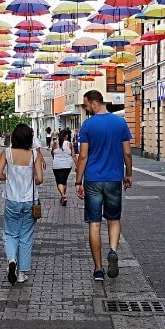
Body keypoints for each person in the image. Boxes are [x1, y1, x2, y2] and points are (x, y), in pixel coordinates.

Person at [75, 91, 132, 281]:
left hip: (93, 180)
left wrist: (78, 181)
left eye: (85, 105)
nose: (86, 109)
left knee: (94, 223)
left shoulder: (88, 125)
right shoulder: (120, 123)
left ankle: (98, 269)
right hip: (114, 178)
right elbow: (127, 153)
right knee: (113, 219)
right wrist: (128, 174)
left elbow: (83, 156)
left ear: (93, 103)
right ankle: (113, 251)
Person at [0, 123, 44, 285]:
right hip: (30, 201)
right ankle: (22, 274)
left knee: (10, 233)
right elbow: (40, 179)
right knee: (26, 237)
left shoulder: (7, 153)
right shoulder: (34, 155)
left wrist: (9, 178)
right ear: (29, 138)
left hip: (11, 200)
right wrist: (31, 180)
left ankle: (11, 261)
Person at [51, 129, 75, 207]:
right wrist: (78, 165)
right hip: (68, 165)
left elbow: (52, 152)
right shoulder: (69, 144)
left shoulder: (55, 143)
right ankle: (63, 195)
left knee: (59, 182)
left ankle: (63, 195)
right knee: (64, 181)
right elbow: (73, 155)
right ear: (66, 136)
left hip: (57, 165)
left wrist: (56, 158)